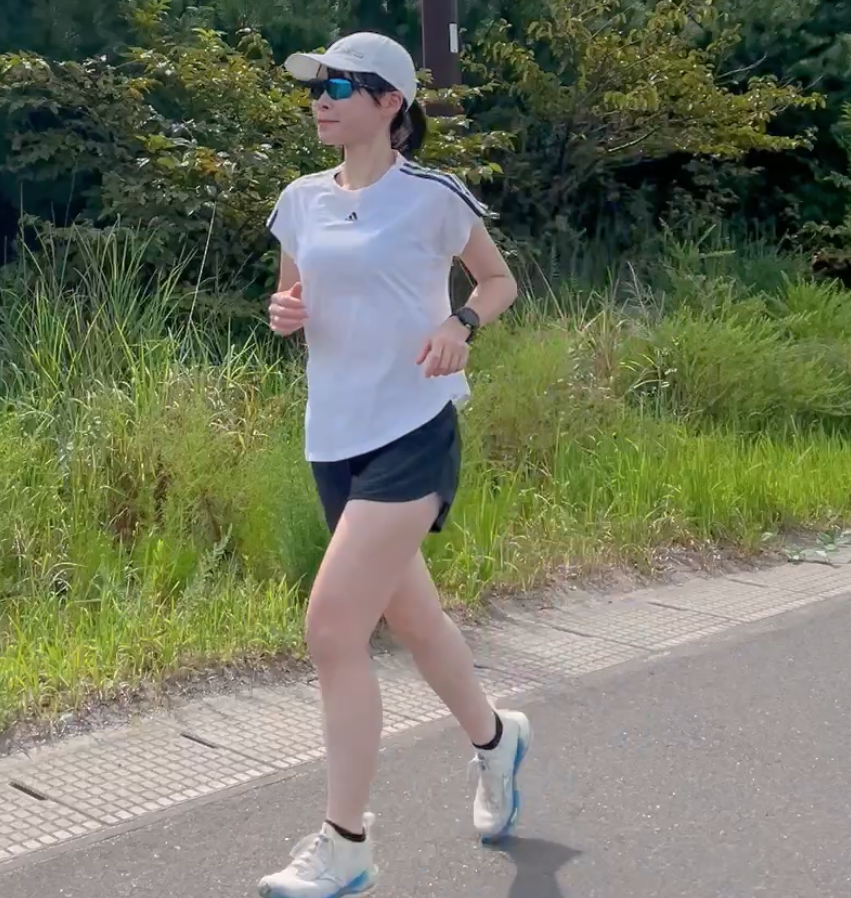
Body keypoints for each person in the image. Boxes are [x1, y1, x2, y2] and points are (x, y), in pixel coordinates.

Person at [258, 30, 531, 898]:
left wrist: (460, 326)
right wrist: (284, 315)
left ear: (390, 104)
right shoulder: (299, 200)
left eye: (341, 84)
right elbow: (294, 298)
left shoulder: (432, 196)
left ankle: (346, 845)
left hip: (412, 430)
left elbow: (497, 282)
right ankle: (497, 740)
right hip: (331, 438)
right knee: (413, 622)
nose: (320, 98)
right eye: (315, 86)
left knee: (333, 626)